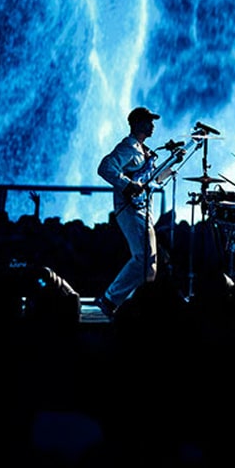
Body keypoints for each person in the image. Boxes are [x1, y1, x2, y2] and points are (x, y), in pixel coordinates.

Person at [95, 106, 161, 317]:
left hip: (143, 209)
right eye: (148, 121)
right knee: (144, 258)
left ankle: (138, 303)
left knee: (149, 261)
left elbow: (152, 180)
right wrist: (126, 184)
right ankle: (111, 299)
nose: (152, 125)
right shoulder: (128, 147)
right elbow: (105, 167)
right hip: (130, 209)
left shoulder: (143, 151)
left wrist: (171, 166)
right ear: (137, 123)